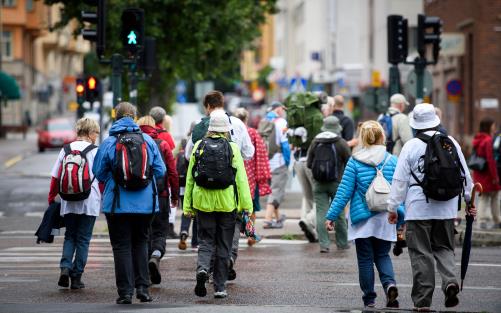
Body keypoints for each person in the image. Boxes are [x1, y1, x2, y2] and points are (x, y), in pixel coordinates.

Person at [387, 103, 475, 311]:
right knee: (444, 248)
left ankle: (423, 301)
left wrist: (392, 208)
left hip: (418, 209)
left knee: (421, 253)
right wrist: (469, 201)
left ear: (415, 124)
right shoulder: (450, 142)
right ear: (435, 120)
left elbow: (399, 181)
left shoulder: (410, 146)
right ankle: (450, 282)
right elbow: (466, 177)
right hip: (446, 209)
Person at [93, 102, 166, 304]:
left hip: (117, 203)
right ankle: (143, 288)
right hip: (145, 204)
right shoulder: (148, 141)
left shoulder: (109, 142)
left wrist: (114, 177)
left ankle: (125, 293)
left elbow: (98, 172)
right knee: (141, 242)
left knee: (121, 246)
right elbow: (161, 171)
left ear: (116, 117)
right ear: (135, 118)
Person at [326, 120, 403, 309]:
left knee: (365, 259)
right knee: (383, 255)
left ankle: (369, 299)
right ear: (382, 137)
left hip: (362, 220)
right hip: (386, 217)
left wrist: (331, 216)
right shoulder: (392, 160)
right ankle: (389, 285)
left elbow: (344, 192)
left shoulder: (355, 161)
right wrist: (402, 216)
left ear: (363, 138)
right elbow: (400, 190)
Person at [183, 110, 253, 299]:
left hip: (202, 202)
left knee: (205, 240)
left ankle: (203, 269)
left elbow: (190, 179)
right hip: (226, 203)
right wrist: (247, 206)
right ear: (226, 130)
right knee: (224, 244)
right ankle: (220, 286)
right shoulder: (232, 148)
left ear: (210, 129)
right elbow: (241, 180)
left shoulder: (199, 145)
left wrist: (187, 206)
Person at [48, 117, 100, 290]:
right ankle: (76, 277)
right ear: (91, 133)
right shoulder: (95, 150)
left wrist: (51, 198)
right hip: (89, 200)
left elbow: (55, 176)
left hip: (68, 200)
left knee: (70, 236)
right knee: (83, 239)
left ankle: (65, 267)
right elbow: (102, 178)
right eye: (96, 132)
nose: (97, 136)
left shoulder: (66, 149)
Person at [137, 116, 179, 285]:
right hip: (161, 195)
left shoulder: (134, 144)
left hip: (140, 196)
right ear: (154, 127)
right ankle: (156, 256)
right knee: (160, 232)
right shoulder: (162, 144)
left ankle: (144, 272)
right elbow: (173, 172)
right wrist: (175, 195)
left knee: (144, 233)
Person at [307, 116, 351, 252]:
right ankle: (342, 243)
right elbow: (350, 162)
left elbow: (309, 163)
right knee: (339, 213)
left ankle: (324, 245)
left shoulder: (315, 141)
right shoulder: (341, 142)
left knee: (321, 212)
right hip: (337, 183)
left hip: (319, 183)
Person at [234, 108, 271, 246]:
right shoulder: (253, 133)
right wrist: (262, 174)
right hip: (250, 176)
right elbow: (260, 154)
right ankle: (251, 234)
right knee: (251, 208)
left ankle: (235, 236)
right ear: (247, 118)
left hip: (234, 174)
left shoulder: (230, 132)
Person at [185, 90, 254, 161]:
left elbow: (188, 155)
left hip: (205, 171)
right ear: (222, 104)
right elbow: (248, 153)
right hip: (231, 170)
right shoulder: (238, 123)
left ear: (208, 106)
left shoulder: (199, 124)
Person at [263, 101, 290, 229]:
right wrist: (288, 161)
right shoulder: (282, 122)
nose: (283, 110)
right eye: (282, 108)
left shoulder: (264, 121)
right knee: (276, 191)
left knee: (274, 190)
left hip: (267, 162)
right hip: (279, 162)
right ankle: (268, 220)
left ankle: (278, 218)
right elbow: (285, 145)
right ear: (278, 109)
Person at [472, 117, 500, 229]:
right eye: (493, 125)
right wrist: (495, 177)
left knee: (483, 196)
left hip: (479, 173)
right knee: (494, 196)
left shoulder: (477, 138)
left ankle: (481, 220)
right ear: (488, 126)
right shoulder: (488, 140)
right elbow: (490, 159)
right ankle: (495, 220)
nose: (494, 127)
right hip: (488, 174)